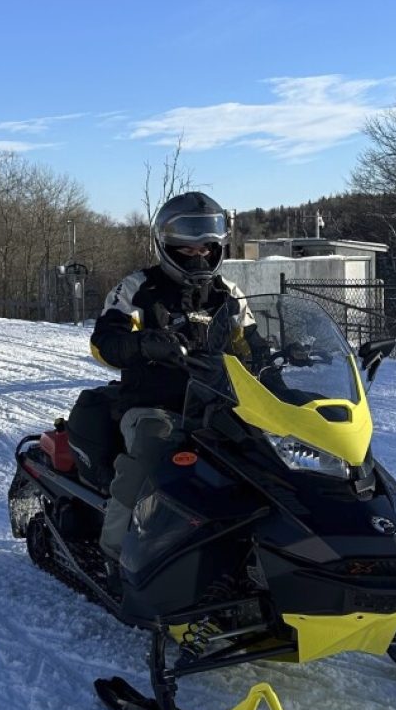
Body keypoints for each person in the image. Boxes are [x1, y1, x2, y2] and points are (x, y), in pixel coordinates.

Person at [90, 191, 269, 577]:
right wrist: (142, 344)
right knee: (151, 450)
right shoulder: (139, 288)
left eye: (207, 246)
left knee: (271, 456)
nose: (199, 255)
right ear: (166, 245)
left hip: (221, 403)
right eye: (187, 249)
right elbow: (102, 344)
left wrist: (284, 355)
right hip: (154, 403)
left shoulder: (228, 295)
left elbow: (252, 345)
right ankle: (115, 554)